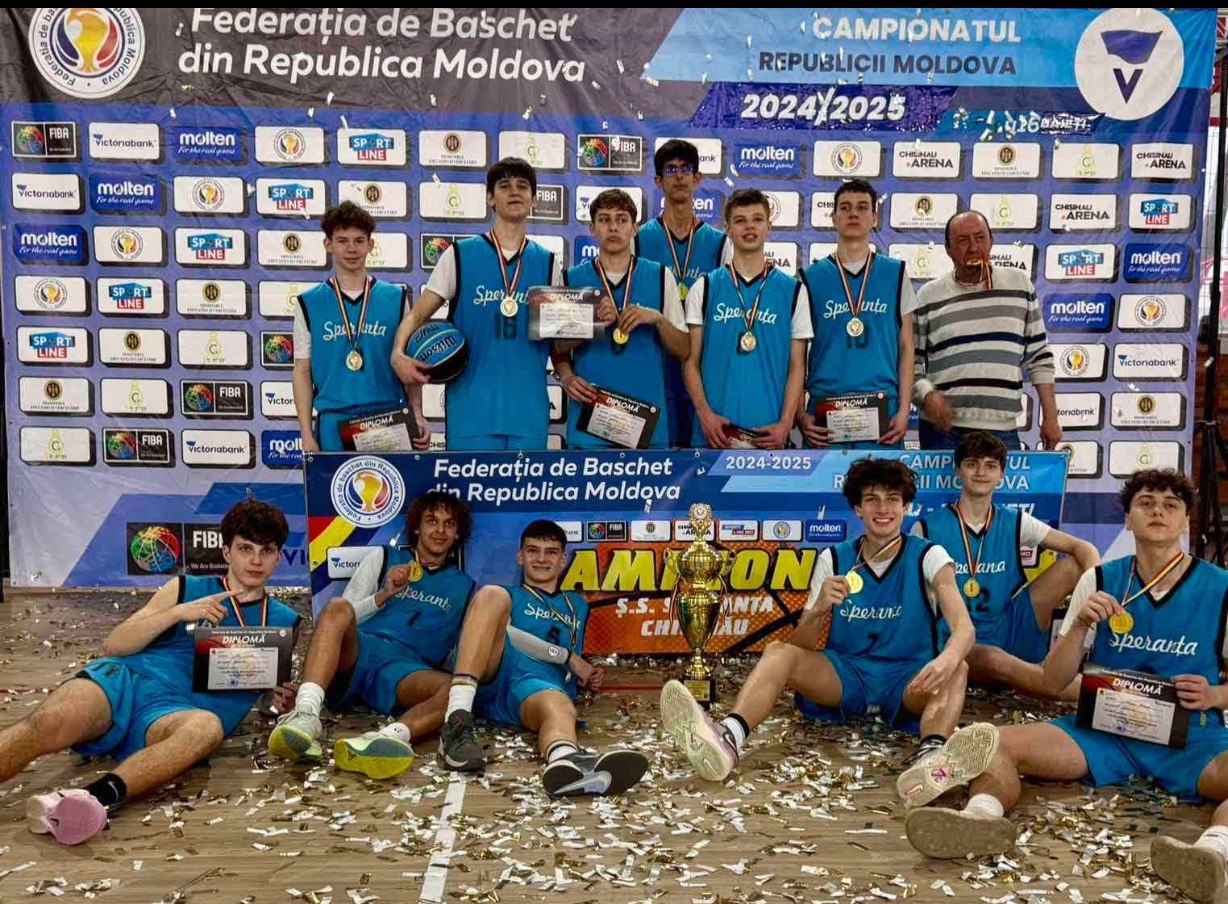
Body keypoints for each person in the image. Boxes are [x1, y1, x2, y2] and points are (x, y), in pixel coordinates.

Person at [904, 470, 1228, 904]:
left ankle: (1213, 853)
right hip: (1105, 731)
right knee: (988, 742)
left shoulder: (1220, 586)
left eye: (1171, 505)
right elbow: (1053, 680)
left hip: (1190, 736)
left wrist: (1216, 695)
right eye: (1146, 503)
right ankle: (980, 818)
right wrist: (1079, 625)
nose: (1158, 511)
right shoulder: (1099, 580)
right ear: (1127, 519)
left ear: (1186, 521)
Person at [660, 458, 995, 811]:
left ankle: (933, 758)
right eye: (872, 500)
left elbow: (964, 629)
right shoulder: (834, 558)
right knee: (778, 652)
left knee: (957, 667)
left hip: (907, 676)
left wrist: (946, 660)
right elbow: (801, 647)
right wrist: (819, 608)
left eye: (893, 499)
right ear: (857, 508)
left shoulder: (929, 554)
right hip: (847, 674)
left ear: (906, 507)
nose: (883, 509)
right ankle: (729, 737)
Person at [7, 500, 298, 845]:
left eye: (266, 551)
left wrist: (278, 700)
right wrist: (176, 614)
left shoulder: (285, 620)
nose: (256, 560)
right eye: (246, 549)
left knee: (206, 728)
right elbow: (114, 645)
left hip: (181, 712)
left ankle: (89, 800)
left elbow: (261, 693)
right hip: (126, 682)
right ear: (226, 552)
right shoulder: (185, 588)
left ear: (278, 558)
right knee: (47, 722)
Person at [268, 492, 475, 779]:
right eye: (431, 521)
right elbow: (341, 617)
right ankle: (305, 714)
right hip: (360, 651)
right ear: (417, 527)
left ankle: (387, 739)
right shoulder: (384, 557)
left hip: (406, 670)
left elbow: (462, 650)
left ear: (457, 534)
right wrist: (383, 595)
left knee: (456, 689)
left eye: (449, 524)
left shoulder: (466, 587)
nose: (440, 530)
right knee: (337, 606)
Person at [436, 520, 649, 797]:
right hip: (498, 674)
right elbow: (511, 636)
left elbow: (572, 653)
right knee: (490, 594)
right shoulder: (508, 596)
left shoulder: (577, 604)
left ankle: (565, 761)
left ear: (563, 560)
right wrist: (567, 657)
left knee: (559, 707)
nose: (541, 559)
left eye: (551, 552)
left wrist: (586, 673)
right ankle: (457, 720)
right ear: (520, 557)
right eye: (533, 550)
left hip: (538, 688)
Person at [391, 157, 562, 450]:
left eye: (523, 186)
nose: (514, 191)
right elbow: (417, 315)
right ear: (490, 198)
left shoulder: (548, 263)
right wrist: (397, 353)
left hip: (528, 413)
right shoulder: (459, 255)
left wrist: (590, 323)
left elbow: (559, 344)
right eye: (504, 186)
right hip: (470, 412)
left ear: (534, 199)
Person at [914, 431, 1099, 699]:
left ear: (1001, 475)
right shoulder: (927, 528)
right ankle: (1097, 694)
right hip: (956, 638)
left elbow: (1084, 548)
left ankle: (1062, 658)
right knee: (994, 659)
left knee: (1073, 567)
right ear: (957, 471)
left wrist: (1096, 591)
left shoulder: (1016, 520)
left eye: (990, 466)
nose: (981, 472)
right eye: (972, 464)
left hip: (1006, 626)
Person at [553, 188, 689, 449]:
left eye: (622, 219)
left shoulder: (661, 277)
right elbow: (556, 348)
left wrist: (657, 319)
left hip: (646, 420)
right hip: (590, 416)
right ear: (592, 228)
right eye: (604, 220)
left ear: (634, 228)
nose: (613, 227)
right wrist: (569, 374)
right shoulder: (570, 278)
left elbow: (684, 349)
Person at [914, 210, 1060, 451]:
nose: (973, 247)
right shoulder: (928, 295)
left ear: (991, 241)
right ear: (948, 249)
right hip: (942, 431)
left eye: (980, 238)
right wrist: (927, 396)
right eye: (962, 240)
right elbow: (910, 363)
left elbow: (1039, 357)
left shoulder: (1019, 285)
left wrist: (1051, 417)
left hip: (1001, 429)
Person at [293, 201, 427, 452]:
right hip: (334, 421)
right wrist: (306, 434)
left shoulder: (396, 298)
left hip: (388, 418)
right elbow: (302, 371)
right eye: (342, 241)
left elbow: (409, 365)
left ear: (370, 245)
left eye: (359, 240)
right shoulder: (308, 303)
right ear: (328, 244)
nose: (351, 249)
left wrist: (417, 415)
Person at [684, 189, 811, 450]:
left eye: (757, 219)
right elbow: (690, 361)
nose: (749, 227)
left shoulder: (793, 290)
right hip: (715, 435)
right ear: (728, 229)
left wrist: (786, 423)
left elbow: (797, 366)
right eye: (740, 221)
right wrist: (705, 416)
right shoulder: (704, 287)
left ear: (768, 227)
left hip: (769, 435)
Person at [798, 179, 915, 449]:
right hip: (825, 410)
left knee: (881, 479)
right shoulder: (810, 278)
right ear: (833, 218)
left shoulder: (896, 273)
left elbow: (907, 347)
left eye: (862, 207)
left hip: (882, 410)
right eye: (845, 208)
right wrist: (799, 414)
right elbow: (796, 356)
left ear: (874, 218)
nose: (853, 213)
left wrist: (904, 409)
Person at [636, 139, 732, 447]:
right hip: (653, 363)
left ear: (698, 178)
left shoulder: (720, 243)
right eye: (671, 169)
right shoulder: (638, 240)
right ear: (658, 181)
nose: (679, 176)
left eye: (686, 169)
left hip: (704, 367)